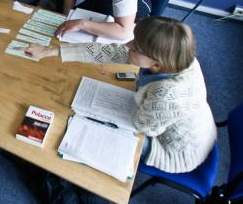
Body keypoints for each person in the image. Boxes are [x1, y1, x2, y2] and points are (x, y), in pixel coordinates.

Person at [26, 17, 217, 173]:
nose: (127, 44)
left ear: (156, 65)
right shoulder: (178, 58)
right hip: (187, 122)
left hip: (173, 150)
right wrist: (50, 51)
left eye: (135, 46)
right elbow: (110, 52)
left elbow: (142, 125)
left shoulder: (169, 95)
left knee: (83, 128)